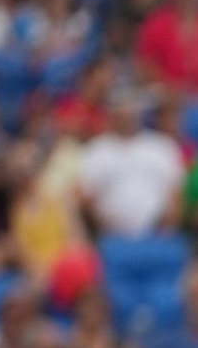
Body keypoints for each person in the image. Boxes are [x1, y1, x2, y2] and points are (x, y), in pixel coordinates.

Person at [77, 89, 183, 237]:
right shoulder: (95, 150)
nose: (126, 112)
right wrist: (106, 228)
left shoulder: (163, 146)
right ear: (111, 112)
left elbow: (175, 195)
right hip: (111, 237)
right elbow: (86, 198)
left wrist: (163, 229)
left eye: (130, 106)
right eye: (120, 107)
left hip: (158, 234)